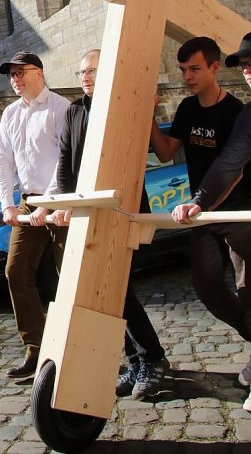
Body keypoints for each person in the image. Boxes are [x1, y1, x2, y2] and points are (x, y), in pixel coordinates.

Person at [51, 49, 169, 399]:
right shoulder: (75, 111)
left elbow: (141, 150)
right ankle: (137, 361)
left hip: (122, 211)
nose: (85, 77)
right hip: (88, 214)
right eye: (81, 72)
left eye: (92, 70)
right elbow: (64, 162)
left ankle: (152, 358)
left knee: (118, 288)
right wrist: (65, 203)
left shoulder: (123, 106)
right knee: (107, 292)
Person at [150, 36, 251, 375]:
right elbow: (168, 152)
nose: (187, 76)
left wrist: (200, 202)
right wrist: (148, 116)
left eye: (194, 68)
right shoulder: (189, 109)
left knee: (247, 290)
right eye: (183, 70)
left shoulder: (235, 112)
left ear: (214, 67)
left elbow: (234, 169)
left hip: (239, 213)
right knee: (207, 286)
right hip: (204, 212)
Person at [0, 50, 70, 378]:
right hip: (28, 202)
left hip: (63, 201)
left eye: (20, 72)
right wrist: (6, 204)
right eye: (11, 75)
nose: (15, 79)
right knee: (16, 271)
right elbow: (2, 160)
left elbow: (66, 160)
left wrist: (48, 204)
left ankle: (78, 347)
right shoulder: (10, 113)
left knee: (70, 275)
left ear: (39, 72)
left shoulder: (60, 108)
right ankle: (37, 349)